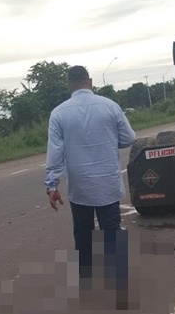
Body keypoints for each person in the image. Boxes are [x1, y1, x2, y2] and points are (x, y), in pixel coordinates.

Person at [45, 65, 136, 291]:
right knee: (112, 229)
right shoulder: (110, 106)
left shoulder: (59, 113)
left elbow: (55, 152)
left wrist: (52, 185)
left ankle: (87, 281)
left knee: (83, 233)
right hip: (107, 182)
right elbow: (129, 137)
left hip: (80, 185)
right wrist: (108, 141)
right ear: (90, 81)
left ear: (69, 85)